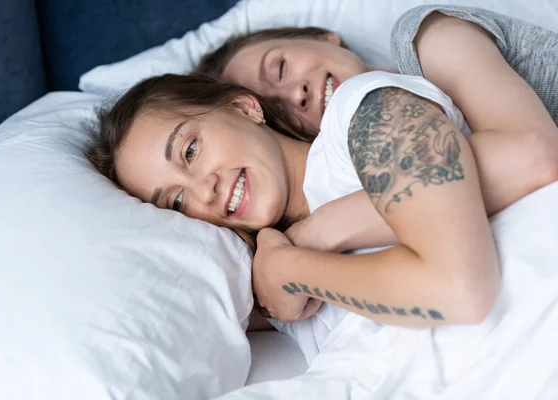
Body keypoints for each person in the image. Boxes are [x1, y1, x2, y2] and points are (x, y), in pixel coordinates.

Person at [86, 71, 501, 335]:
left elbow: (460, 289)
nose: (204, 191)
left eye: (191, 150)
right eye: (176, 201)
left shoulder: (361, 116)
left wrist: (293, 269)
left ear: (243, 107)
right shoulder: (254, 286)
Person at [194, 5, 558, 221]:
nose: (295, 94)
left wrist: (331, 229)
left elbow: (535, 155)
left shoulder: (423, 37)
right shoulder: (348, 175)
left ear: (322, 36)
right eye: (277, 111)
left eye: (280, 67)